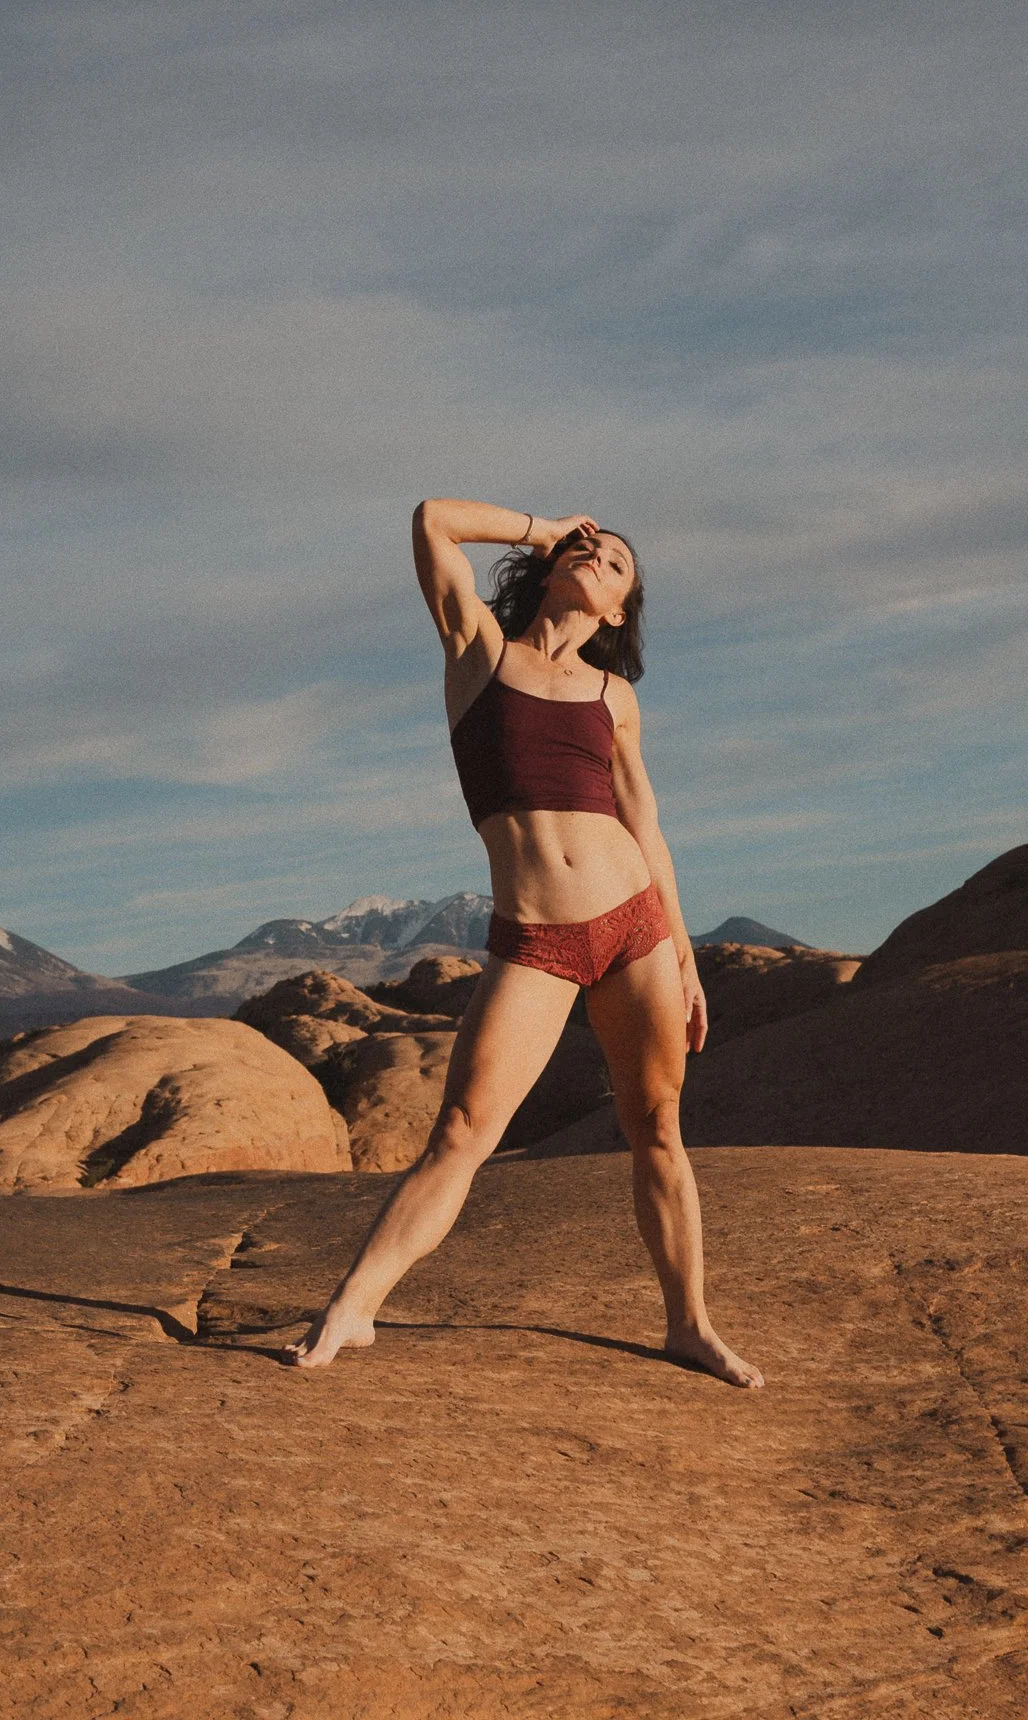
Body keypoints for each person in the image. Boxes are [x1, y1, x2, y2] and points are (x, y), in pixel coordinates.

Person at [287, 498, 764, 1387]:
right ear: (551, 565)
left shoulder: (614, 696)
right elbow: (433, 521)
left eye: (616, 564)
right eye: (590, 549)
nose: (598, 558)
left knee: (657, 1125)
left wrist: (686, 957)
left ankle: (689, 1325)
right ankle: (352, 1310)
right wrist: (547, 529)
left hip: (635, 927)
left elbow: (647, 827)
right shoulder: (479, 651)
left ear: (616, 614)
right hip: (537, 937)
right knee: (462, 1130)